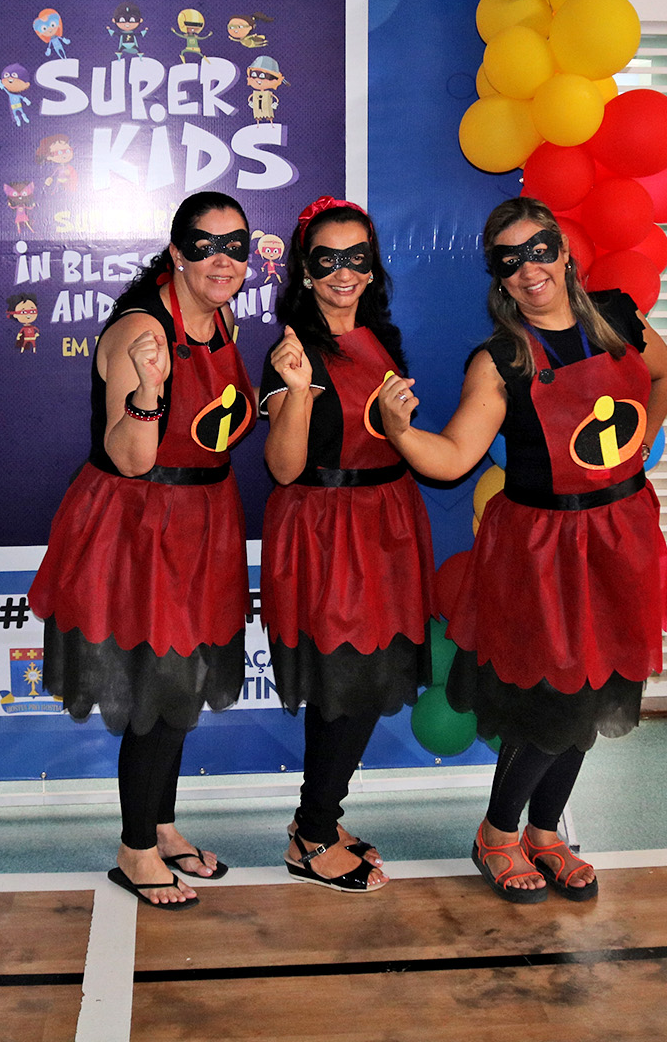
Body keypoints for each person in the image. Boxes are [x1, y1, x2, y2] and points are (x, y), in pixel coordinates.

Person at [377, 196, 667, 905]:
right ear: (499, 276)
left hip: (622, 535)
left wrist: (640, 442)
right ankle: (498, 833)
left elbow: (662, 376)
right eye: (509, 260)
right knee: (554, 702)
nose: (529, 268)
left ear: (564, 251)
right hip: (546, 552)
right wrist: (399, 429)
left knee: (598, 689)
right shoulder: (501, 360)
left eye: (540, 248)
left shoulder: (621, 318)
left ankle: (546, 833)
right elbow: (453, 458)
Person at [30, 191, 257, 910]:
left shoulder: (220, 317)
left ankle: (159, 826)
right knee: (161, 684)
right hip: (141, 523)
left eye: (236, 246)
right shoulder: (140, 329)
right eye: (205, 245)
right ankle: (134, 848)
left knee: (181, 680)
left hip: (203, 517)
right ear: (177, 251)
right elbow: (131, 457)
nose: (222, 260)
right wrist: (150, 390)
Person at [259, 196, 434, 894]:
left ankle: (321, 820)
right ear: (304, 269)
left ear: (373, 265)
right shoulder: (290, 352)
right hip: (327, 531)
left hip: (387, 522)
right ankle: (312, 834)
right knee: (344, 682)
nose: (344, 272)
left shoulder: (379, 336)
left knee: (366, 678)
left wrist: (400, 425)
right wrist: (298, 391)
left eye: (357, 257)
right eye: (327, 258)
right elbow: (283, 468)